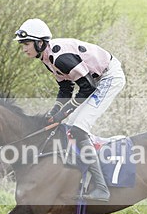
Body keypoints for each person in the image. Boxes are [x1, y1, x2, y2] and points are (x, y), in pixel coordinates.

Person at [14, 18, 126, 202]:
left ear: (39, 43)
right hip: (94, 80)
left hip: (108, 77)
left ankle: (101, 188)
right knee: (71, 129)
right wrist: (54, 112)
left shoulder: (60, 58)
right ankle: (82, 176)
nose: (24, 49)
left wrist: (62, 114)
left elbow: (87, 87)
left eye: (26, 44)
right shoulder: (47, 58)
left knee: (78, 129)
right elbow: (65, 88)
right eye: (22, 45)